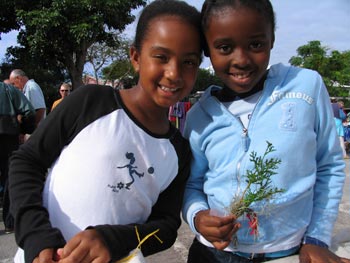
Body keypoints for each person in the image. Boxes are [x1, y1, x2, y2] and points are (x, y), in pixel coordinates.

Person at [9, 0, 203, 262]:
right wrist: (36, 237)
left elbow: (166, 227)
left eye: (189, 62)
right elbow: (26, 161)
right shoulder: (90, 101)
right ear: (135, 57)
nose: (173, 73)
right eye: (161, 57)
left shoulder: (179, 150)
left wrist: (112, 241)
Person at [182, 0, 349, 263]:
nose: (241, 59)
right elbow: (192, 184)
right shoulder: (198, 117)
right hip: (212, 254)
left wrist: (316, 239)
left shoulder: (305, 87)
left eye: (256, 44)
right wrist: (198, 216)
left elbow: (329, 165)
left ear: (272, 39)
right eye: (225, 47)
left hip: (288, 253)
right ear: (207, 49)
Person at [0, 81, 35, 234]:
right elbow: (29, 111)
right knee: (9, 177)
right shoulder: (8, 89)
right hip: (7, 135)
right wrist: (25, 129)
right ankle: (9, 222)